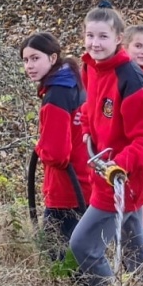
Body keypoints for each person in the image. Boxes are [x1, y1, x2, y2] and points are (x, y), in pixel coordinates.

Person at [73, 2, 143, 286]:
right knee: (135, 247)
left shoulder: (132, 79)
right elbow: (93, 111)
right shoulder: (92, 68)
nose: (95, 43)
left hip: (125, 178)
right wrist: (86, 128)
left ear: (119, 38)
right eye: (90, 35)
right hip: (107, 172)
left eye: (103, 36)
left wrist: (122, 164)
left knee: (83, 244)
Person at [21, 32, 91, 261]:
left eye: (35, 58)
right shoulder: (75, 84)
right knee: (81, 254)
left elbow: (57, 154)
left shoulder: (56, 95)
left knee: (56, 257)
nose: (29, 66)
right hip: (87, 184)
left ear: (52, 58)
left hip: (66, 191)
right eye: (25, 60)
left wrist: (40, 147)